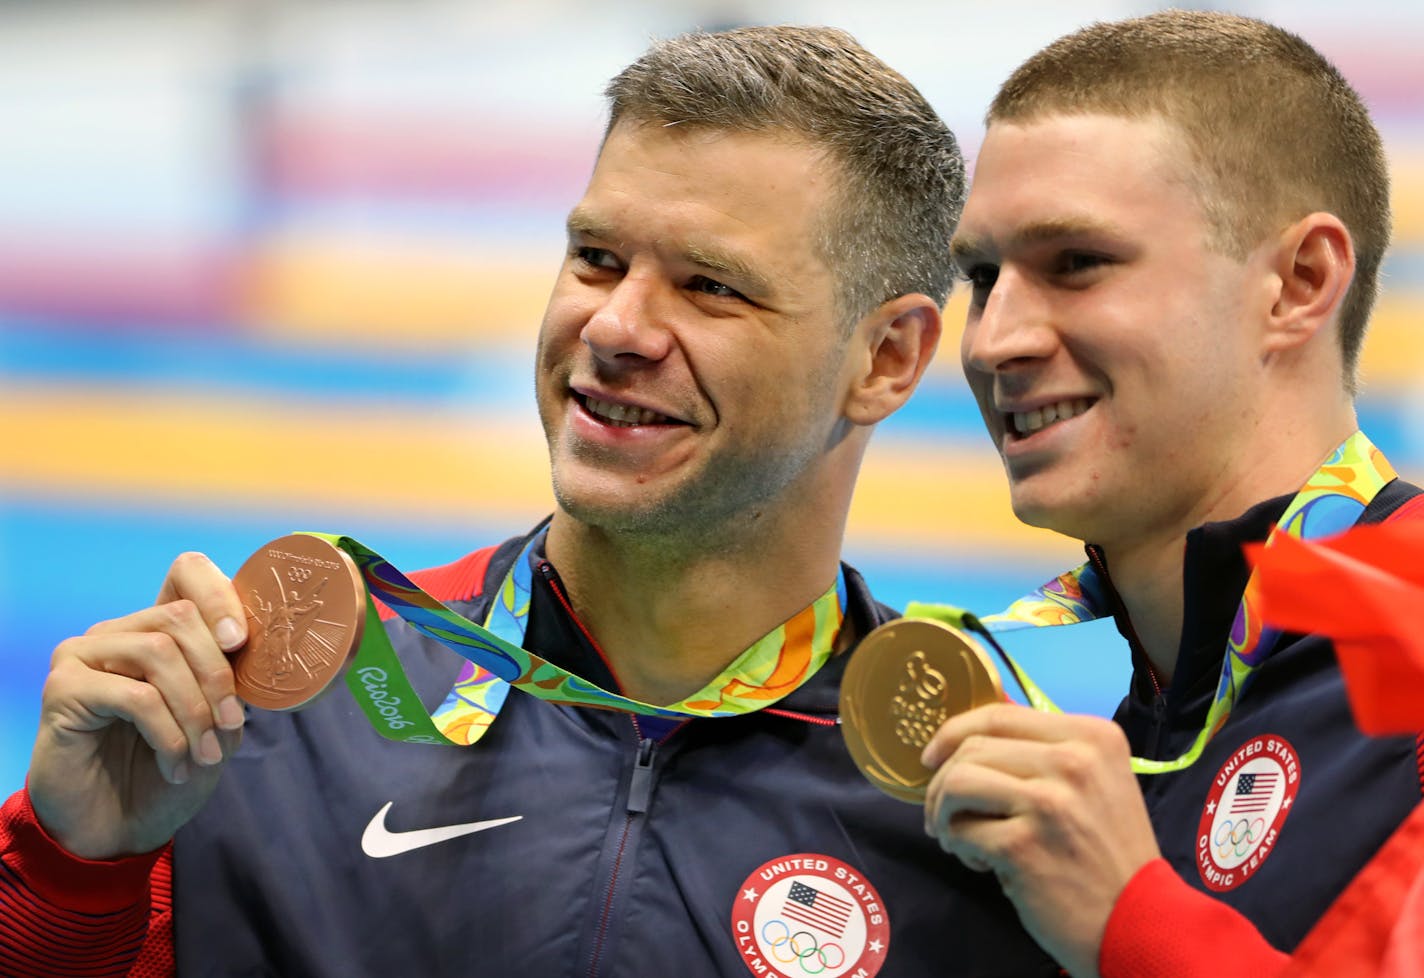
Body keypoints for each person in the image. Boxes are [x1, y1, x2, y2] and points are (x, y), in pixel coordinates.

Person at [0, 25, 1063, 978]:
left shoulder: (984, 816)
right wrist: (70, 867)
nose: (614, 327)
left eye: (709, 286)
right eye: (597, 259)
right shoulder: (275, 707)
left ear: (885, 359)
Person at [917, 10, 1423, 978]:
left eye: (1075, 264)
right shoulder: (1082, 705)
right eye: (982, 278)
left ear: (1295, 284)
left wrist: (1134, 922)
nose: (990, 342)